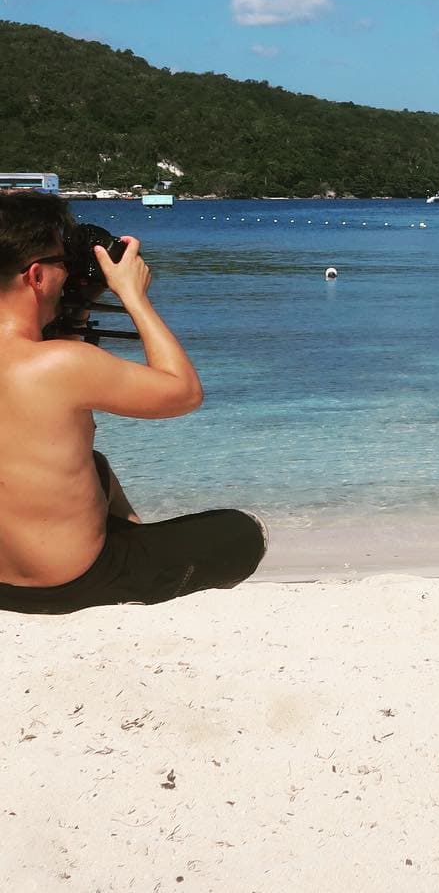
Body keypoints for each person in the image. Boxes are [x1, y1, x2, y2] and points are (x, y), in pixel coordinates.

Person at [0, 191, 266, 614]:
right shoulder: (63, 364)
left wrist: (79, 308)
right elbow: (182, 393)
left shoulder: (53, 361)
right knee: (245, 533)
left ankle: (134, 541)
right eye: (62, 264)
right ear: (36, 276)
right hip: (69, 587)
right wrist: (133, 296)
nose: (67, 274)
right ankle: (137, 573)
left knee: (96, 465)